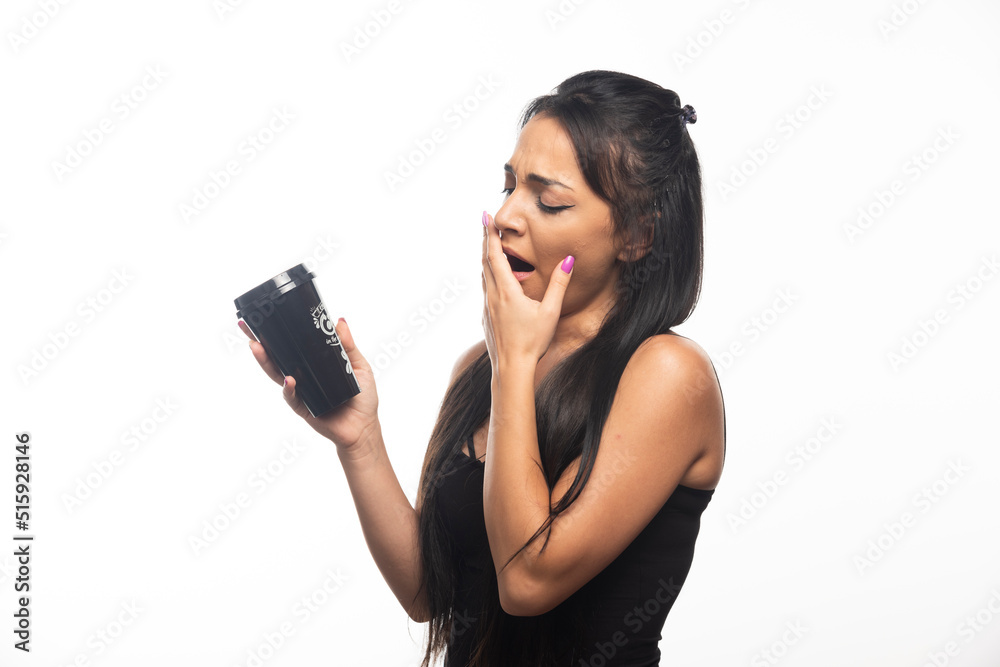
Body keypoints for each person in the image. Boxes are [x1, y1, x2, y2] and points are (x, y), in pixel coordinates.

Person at [238, 69, 725, 667]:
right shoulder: (482, 365)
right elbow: (429, 592)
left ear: (637, 235)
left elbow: (527, 581)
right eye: (509, 186)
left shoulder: (669, 374)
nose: (508, 216)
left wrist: (513, 364)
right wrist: (359, 440)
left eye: (549, 200)